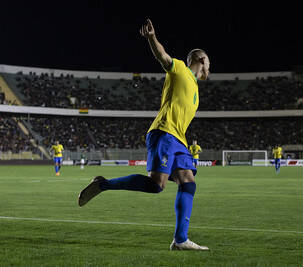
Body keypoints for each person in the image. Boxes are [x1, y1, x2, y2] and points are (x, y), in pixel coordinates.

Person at [78, 19, 210, 251]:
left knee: (188, 182)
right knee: (157, 184)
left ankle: (180, 240)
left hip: (179, 140)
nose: (210, 68)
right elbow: (164, 57)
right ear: (201, 60)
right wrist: (152, 38)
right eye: (209, 63)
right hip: (164, 132)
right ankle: (103, 184)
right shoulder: (180, 69)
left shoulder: (195, 88)